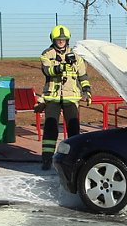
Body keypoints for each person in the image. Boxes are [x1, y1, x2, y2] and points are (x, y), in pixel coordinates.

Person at [39, 25, 92, 169]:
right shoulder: (47, 54)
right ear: (53, 40)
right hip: (53, 97)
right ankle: (46, 159)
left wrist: (87, 90)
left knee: (73, 128)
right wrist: (60, 68)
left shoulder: (76, 56)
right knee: (50, 127)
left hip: (71, 97)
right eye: (58, 39)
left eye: (63, 39)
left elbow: (83, 75)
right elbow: (47, 70)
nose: (61, 41)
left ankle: (74, 159)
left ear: (67, 40)